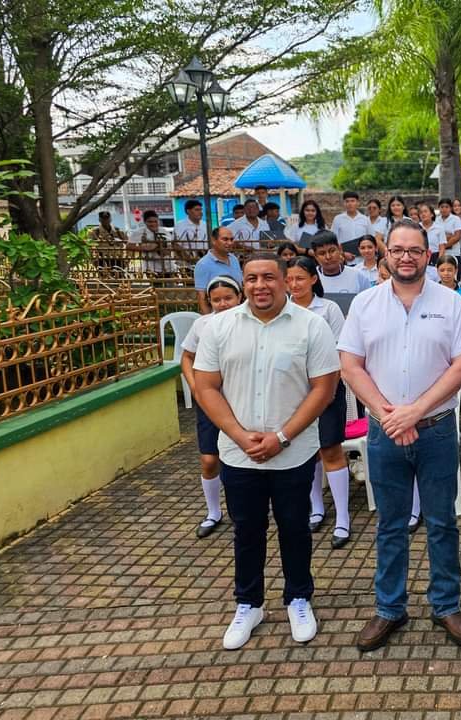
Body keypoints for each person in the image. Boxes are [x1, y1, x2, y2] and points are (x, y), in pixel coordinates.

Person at [338, 219, 461, 653]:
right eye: (398, 249)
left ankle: (446, 605)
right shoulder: (364, 303)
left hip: (436, 430)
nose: (406, 257)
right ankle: (389, 607)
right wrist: (389, 416)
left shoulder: (451, 302)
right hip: (384, 433)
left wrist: (414, 412)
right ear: (386, 254)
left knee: (442, 522)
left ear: (428, 255)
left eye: (415, 250)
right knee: (390, 524)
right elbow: (351, 365)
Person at [193, 252, 339, 650]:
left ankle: (298, 597)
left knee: (295, 527)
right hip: (238, 453)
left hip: (293, 452)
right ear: (243, 282)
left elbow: (324, 388)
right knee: (246, 530)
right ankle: (249, 603)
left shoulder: (311, 326)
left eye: (269, 277)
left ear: (285, 280)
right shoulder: (219, 326)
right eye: (252, 278)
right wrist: (240, 435)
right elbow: (206, 386)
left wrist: (282, 436)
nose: (261, 285)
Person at [284, 256, 351, 547]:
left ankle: (343, 518)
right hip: (293, 392)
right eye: (289, 279)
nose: (294, 285)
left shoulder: (328, 309)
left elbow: (340, 350)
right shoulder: (282, 310)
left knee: (330, 449)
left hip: (326, 389)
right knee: (306, 451)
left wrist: (328, 388)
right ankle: (317, 509)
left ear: (313, 279)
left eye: (300, 278)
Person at [179, 275, 243, 538]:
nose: (223, 304)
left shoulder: (248, 323)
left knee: (238, 460)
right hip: (210, 401)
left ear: (240, 297)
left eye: (228, 298)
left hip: (239, 400)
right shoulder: (202, 325)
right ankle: (213, 512)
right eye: (216, 300)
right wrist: (195, 386)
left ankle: (242, 511)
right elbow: (187, 357)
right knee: (209, 459)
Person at [194, 226, 242, 314]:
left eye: (231, 239)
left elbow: (240, 286)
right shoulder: (203, 264)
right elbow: (202, 297)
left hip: (237, 312)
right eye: (225, 239)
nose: (229, 243)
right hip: (217, 314)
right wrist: (208, 319)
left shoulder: (234, 259)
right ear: (213, 240)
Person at [127, 210, 175, 275]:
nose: (153, 224)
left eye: (155, 221)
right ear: (145, 222)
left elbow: (170, 245)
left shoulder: (164, 231)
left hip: (169, 267)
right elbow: (129, 246)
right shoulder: (139, 232)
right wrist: (145, 248)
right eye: (150, 222)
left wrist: (166, 248)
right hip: (151, 268)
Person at [331, 191, 370, 265]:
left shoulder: (365, 219)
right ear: (344, 203)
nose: (350, 204)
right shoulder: (338, 219)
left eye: (352, 201)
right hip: (344, 261)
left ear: (358, 203)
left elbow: (371, 239)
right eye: (347, 201)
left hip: (363, 261)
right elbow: (333, 240)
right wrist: (342, 253)